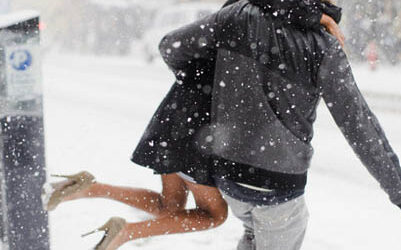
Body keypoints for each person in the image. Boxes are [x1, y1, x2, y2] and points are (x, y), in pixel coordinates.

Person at [42, 1, 345, 250]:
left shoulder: (238, 17)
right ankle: (124, 232)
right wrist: (316, 16)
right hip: (201, 123)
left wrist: (194, 79)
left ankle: (89, 188)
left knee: (169, 205)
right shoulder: (261, 21)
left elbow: (173, 46)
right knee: (213, 215)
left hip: (179, 110)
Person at [158, 0, 401, 249]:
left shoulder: (238, 15)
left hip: (230, 176)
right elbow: (359, 126)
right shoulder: (323, 46)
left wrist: (214, 83)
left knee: (252, 233)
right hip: (278, 186)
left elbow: (170, 47)